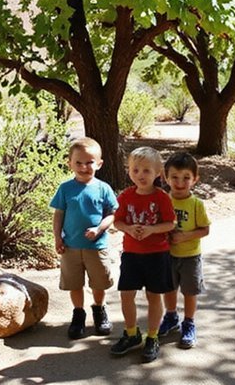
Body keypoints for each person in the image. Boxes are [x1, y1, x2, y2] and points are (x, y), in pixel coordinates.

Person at [110, 146, 176, 363]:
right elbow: (118, 220)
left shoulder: (162, 197)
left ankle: (153, 336)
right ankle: (131, 333)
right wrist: (128, 229)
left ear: (158, 173)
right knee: (126, 294)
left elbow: (170, 223)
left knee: (153, 296)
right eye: (135, 169)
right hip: (131, 253)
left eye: (146, 170)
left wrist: (151, 229)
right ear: (129, 171)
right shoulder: (126, 196)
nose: (140, 175)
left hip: (156, 254)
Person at [50, 137, 118, 340]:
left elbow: (112, 214)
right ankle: (78, 314)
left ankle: (99, 310)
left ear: (99, 163)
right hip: (71, 247)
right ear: (69, 163)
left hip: (96, 246)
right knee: (74, 283)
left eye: (89, 162)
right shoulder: (65, 189)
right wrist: (57, 238)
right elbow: (59, 214)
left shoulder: (103, 188)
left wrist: (99, 229)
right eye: (78, 162)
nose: (83, 167)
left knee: (98, 283)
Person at [158, 152, 211, 349]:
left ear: (195, 179)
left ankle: (188, 323)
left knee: (190, 292)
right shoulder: (163, 200)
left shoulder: (196, 204)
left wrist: (184, 236)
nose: (180, 183)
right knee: (169, 289)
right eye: (175, 177)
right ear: (165, 177)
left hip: (190, 257)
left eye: (186, 178)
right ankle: (171, 316)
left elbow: (205, 229)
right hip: (167, 255)